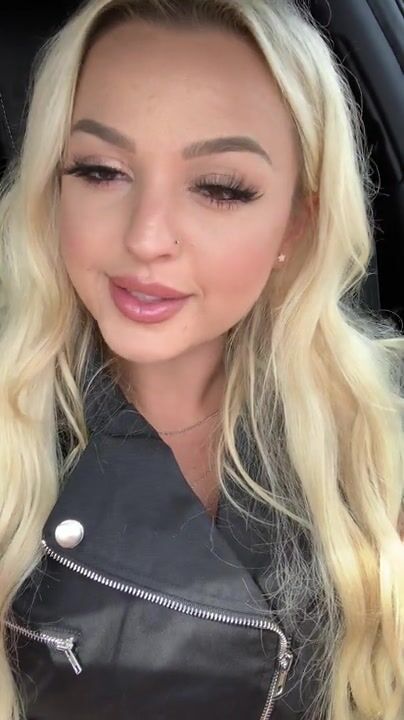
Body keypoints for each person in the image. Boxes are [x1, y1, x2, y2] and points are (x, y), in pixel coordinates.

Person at [0, 0, 403, 718]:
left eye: (220, 187)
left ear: (296, 223)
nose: (147, 237)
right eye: (100, 171)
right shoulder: (12, 437)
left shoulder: (378, 429)